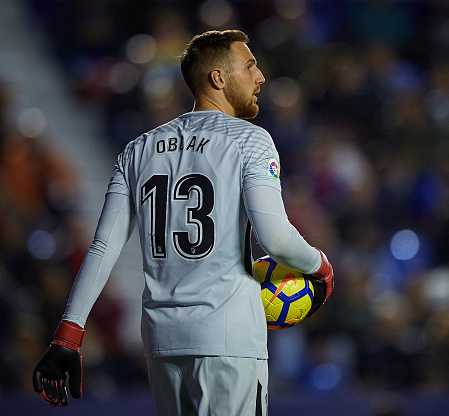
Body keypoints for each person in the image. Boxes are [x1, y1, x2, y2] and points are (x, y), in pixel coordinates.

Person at [32, 29, 334, 416]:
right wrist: (320, 266)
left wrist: (68, 334)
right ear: (218, 78)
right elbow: (275, 237)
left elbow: (103, 247)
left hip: (161, 339)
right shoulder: (250, 140)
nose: (260, 77)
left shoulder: (138, 149)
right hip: (229, 339)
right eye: (250, 66)